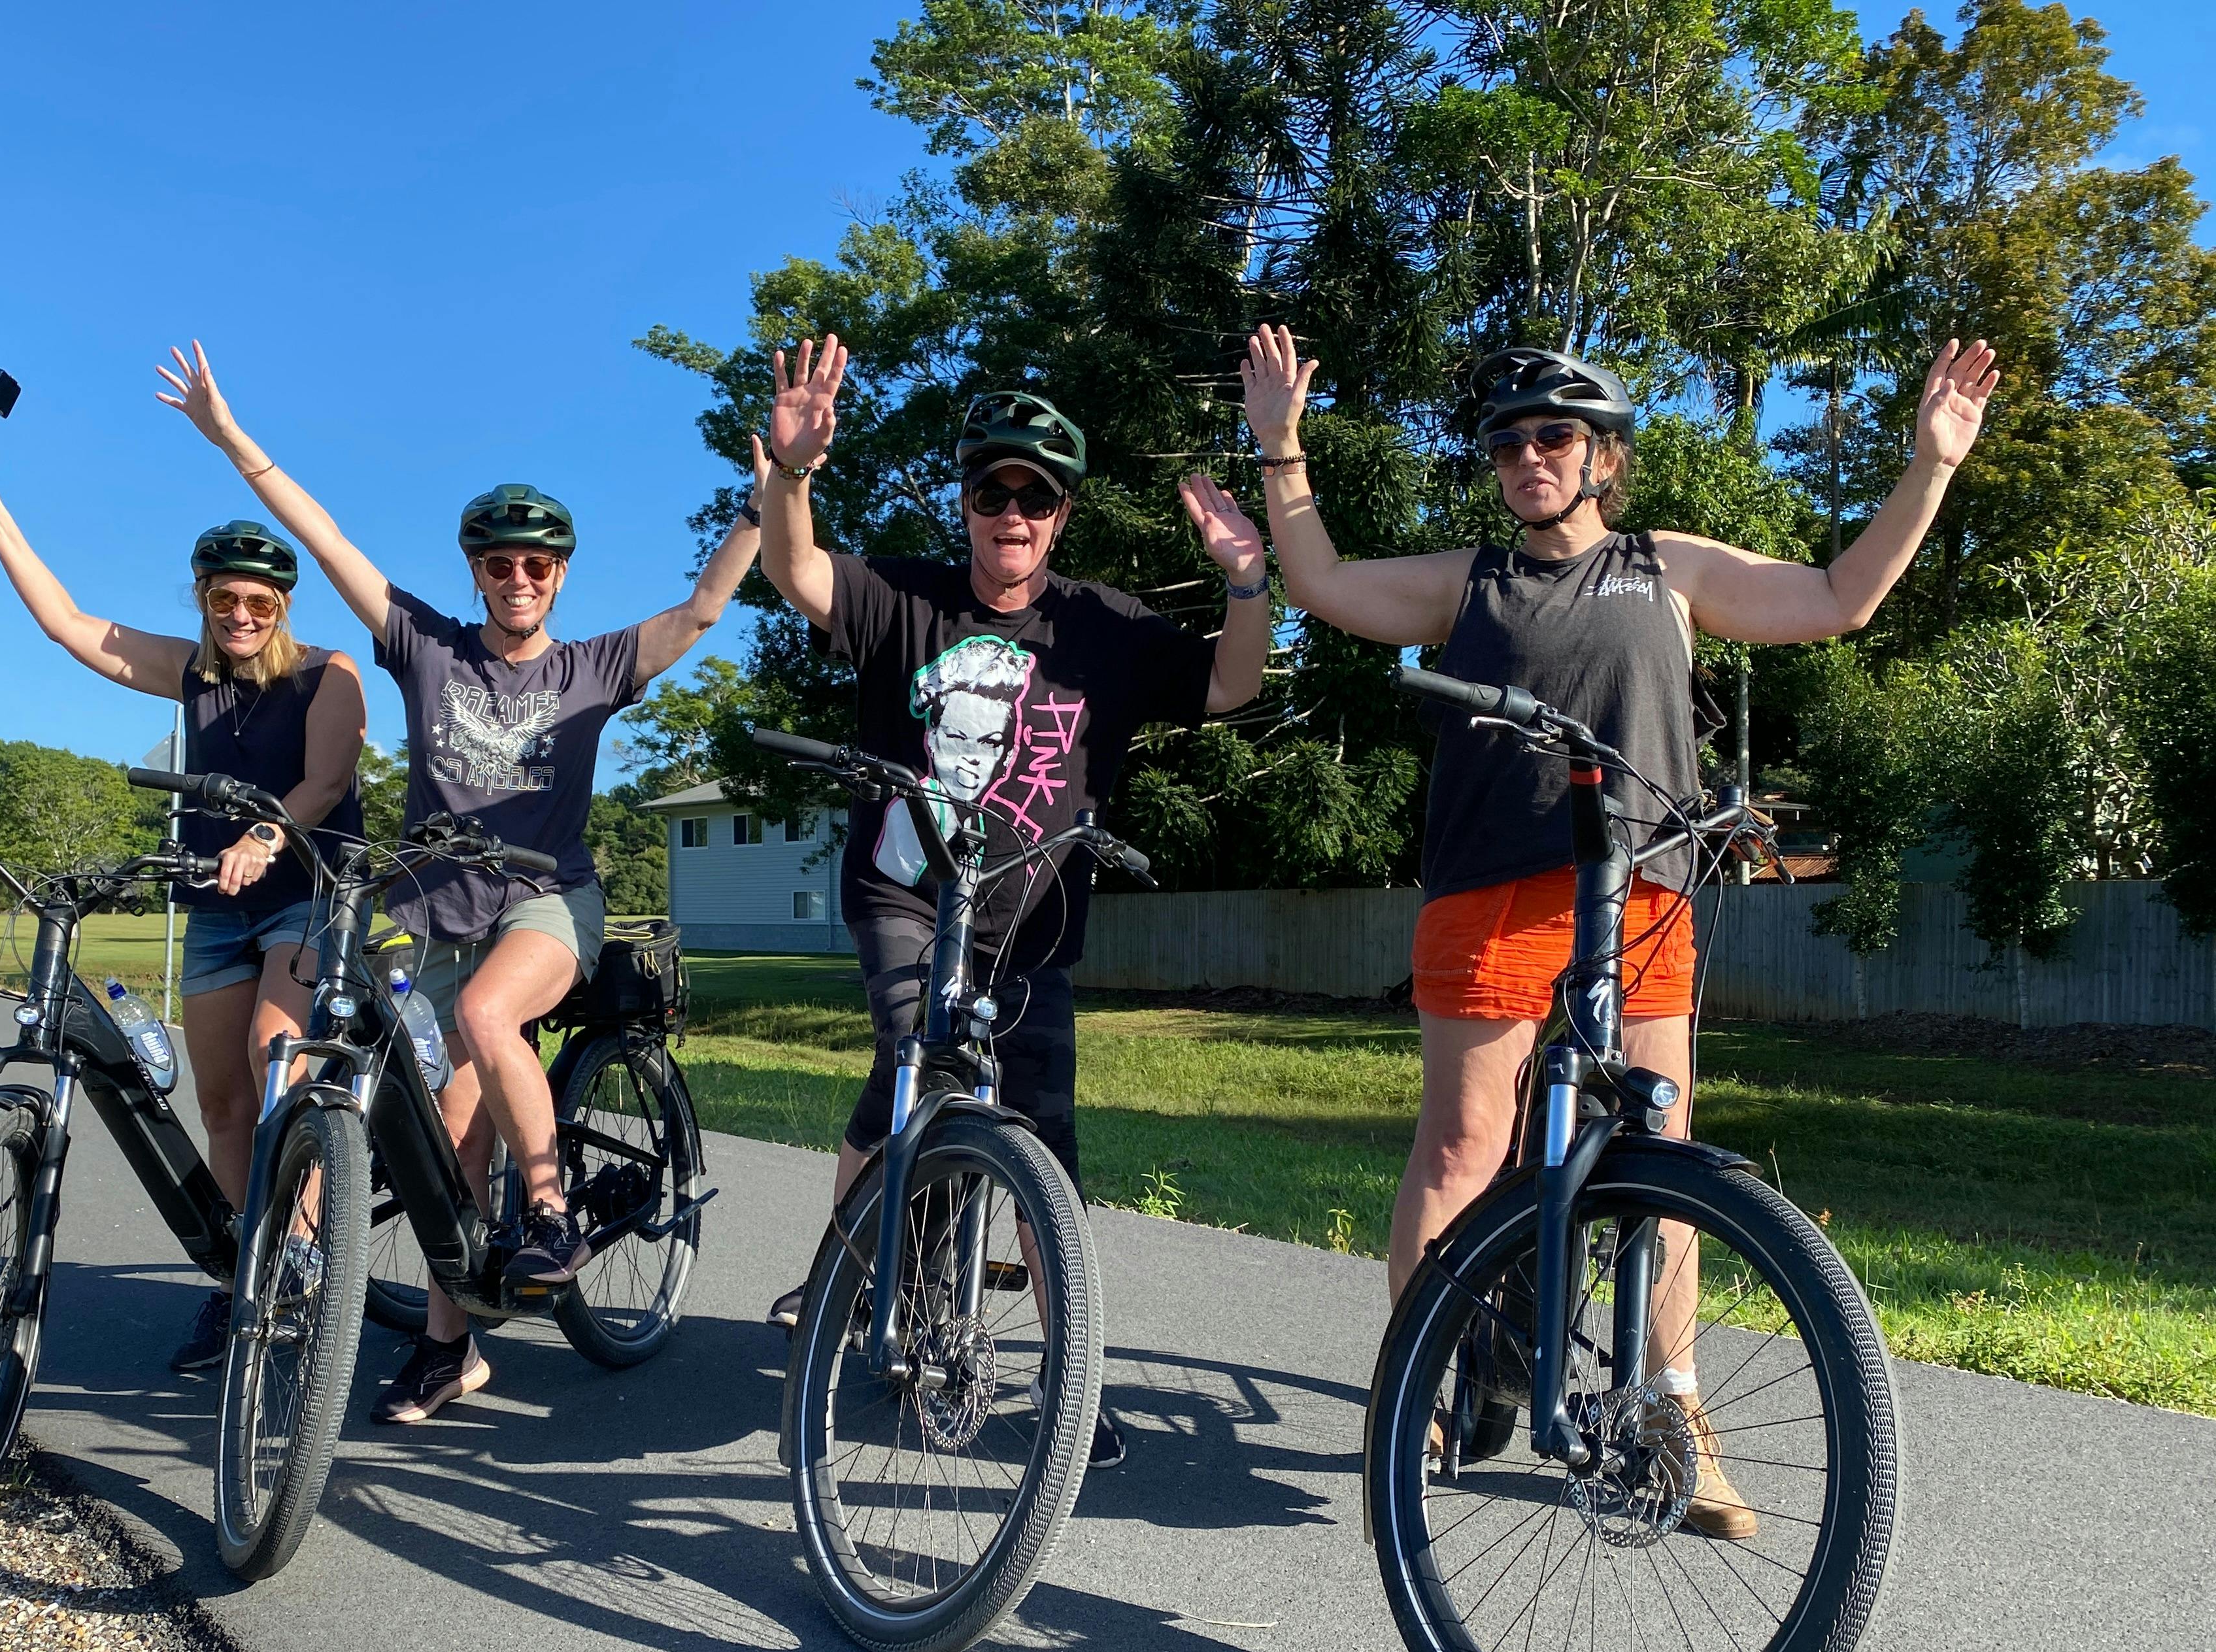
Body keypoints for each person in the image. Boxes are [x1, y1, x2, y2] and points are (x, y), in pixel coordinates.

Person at [1240, 322, 1999, 1535]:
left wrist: (1932, 466)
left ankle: (1670, 1412)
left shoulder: (1669, 567)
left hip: (1642, 898)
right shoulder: (1471, 580)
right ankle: (1421, 1396)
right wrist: (1283, 449)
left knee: (1666, 1152)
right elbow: (1327, 589)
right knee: (1461, 1153)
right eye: (1509, 444)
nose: (1528, 457)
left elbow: (1841, 600)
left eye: (1555, 436)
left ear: (1604, 456)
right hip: (1491, 893)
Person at [156, 340, 767, 1424]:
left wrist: (774, 496)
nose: (518, 578)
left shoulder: (595, 667)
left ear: (561, 575)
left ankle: (547, 1205)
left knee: (492, 1016)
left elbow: (704, 611)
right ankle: (451, 1347)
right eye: (498, 563)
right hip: (427, 914)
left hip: (544, 900)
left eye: (537, 564)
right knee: (441, 1138)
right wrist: (232, 439)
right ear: (476, 572)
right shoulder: (425, 647)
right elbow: (324, 539)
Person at [760, 335, 1274, 1470]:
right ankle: (859, 1285)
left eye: (1034, 496)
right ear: (967, 502)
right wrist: (791, 477)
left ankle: (1072, 1385)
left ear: (1061, 515)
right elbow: (796, 573)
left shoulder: (1106, 625)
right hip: (907, 892)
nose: (1012, 511)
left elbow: (1234, 683)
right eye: (992, 489)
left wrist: (1248, 582)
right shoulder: (906, 597)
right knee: (911, 1056)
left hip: (1033, 927)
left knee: (1047, 1150)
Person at [0, 452, 367, 1378]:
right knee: (221, 1103)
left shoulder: (329, 674)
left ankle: (308, 1257)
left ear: (283, 607)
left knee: (275, 1068)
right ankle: (243, 1277)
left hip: (304, 898)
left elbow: (326, 781)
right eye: (224, 602)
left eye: (259, 604)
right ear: (202, 599)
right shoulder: (195, 672)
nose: (240, 618)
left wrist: (265, 838)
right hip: (214, 910)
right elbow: (69, 625)